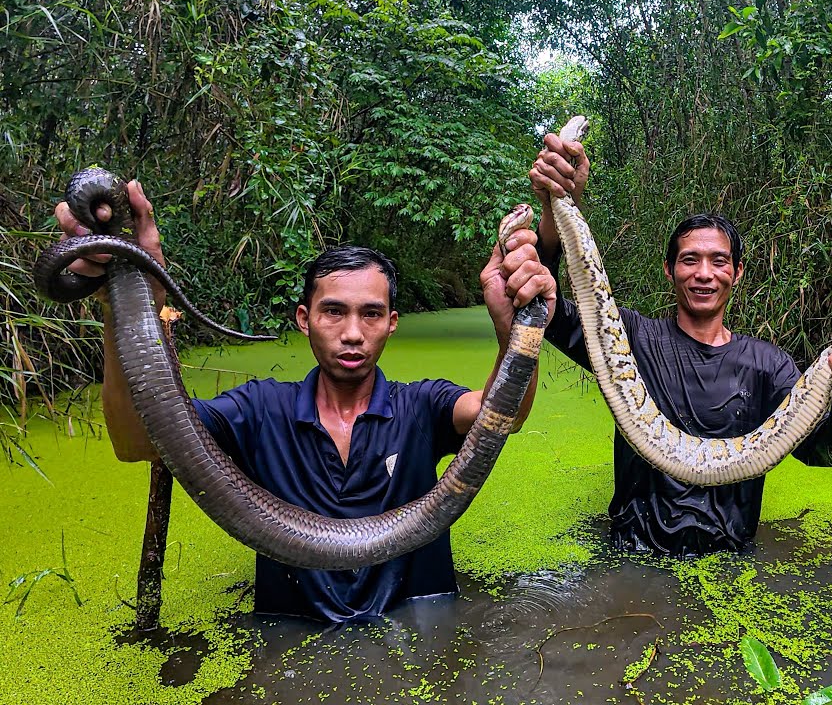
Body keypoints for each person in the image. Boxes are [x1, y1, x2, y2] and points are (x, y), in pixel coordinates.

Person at [54, 180, 556, 622]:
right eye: (333, 312)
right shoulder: (259, 410)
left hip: (419, 632)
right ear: (303, 318)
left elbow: (502, 417)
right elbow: (138, 440)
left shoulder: (419, 406)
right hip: (286, 640)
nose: (353, 333)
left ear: (392, 323)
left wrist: (512, 328)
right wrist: (127, 301)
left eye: (372, 314)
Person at [524, 134, 832, 558]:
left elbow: (824, 452)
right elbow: (540, 308)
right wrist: (557, 206)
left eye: (718, 261)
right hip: (635, 558)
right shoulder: (632, 339)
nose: (704, 274)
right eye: (690, 259)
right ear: (669, 270)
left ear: (738, 272)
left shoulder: (768, 365)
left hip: (729, 561)